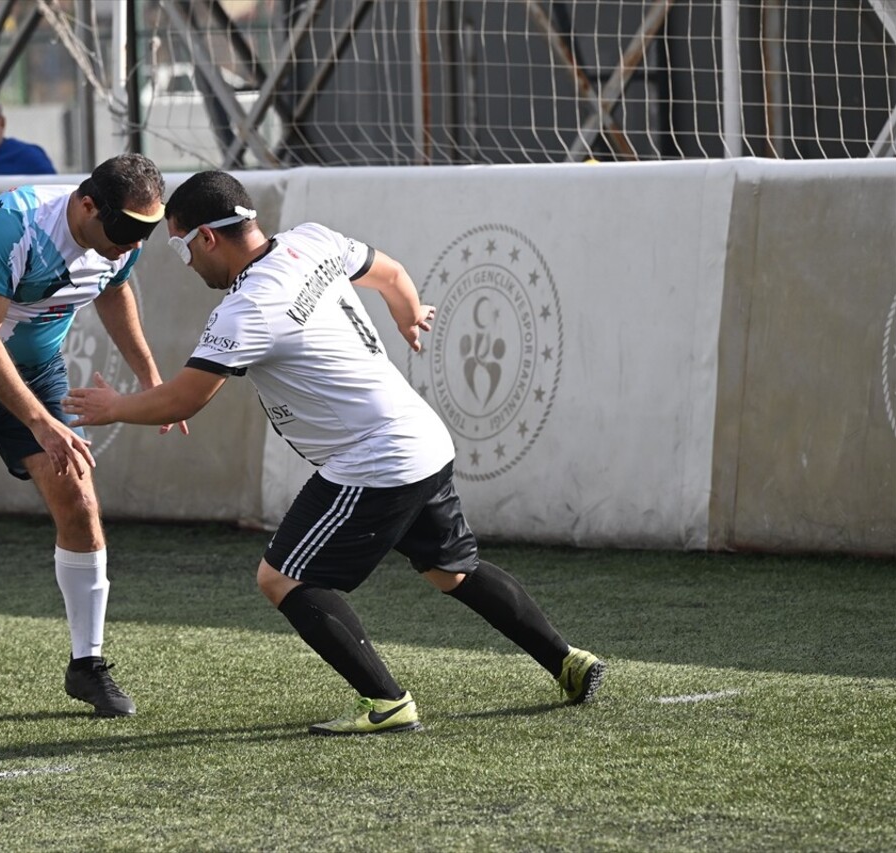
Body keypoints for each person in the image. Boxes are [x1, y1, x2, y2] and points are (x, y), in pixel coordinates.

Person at [62, 170, 607, 735]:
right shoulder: (311, 240)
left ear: (205, 237)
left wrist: (114, 407)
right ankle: (567, 660)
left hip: (377, 458)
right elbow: (392, 274)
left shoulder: (247, 307)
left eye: (178, 248)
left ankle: (387, 702)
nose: (188, 263)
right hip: (421, 436)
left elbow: (187, 398)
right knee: (452, 572)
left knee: (282, 579)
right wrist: (406, 311)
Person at [0, 153, 183, 717]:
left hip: (37, 368)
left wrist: (151, 378)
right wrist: (37, 420)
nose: (132, 244)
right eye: (125, 230)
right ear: (86, 205)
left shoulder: (121, 238)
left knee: (78, 500)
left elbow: (114, 290)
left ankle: (88, 665)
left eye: (145, 233)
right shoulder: (18, 222)